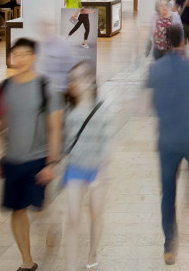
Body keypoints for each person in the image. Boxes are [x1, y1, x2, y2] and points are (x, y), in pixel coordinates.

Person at [0, 38, 64, 271]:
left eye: (24, 54)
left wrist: (51, 163)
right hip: (12, 159)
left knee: (38, 207)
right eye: (15, 55)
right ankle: (27, 261)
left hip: (38, 159)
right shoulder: (4, 88)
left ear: (33, 58)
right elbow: (0, 125)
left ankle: (49, 224)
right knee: (17, 210)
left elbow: (55, 127)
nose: (19, 59)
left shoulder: (45, 87)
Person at [147, 25, 189, 265]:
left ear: (165, 42)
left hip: (166, 139)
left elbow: (149, 104)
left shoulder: (155, 69)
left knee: (167, 193)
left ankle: (170, 244)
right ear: (183, 42)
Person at [62, 61, 112, 271]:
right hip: (74, 168)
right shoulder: (68, 109)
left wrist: (100, 174)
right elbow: (64, 142)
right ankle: (71, 265)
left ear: (91, 81)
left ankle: (92, 255)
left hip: (95, 171)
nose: (76, 83)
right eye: (73, 79)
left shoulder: (102, 109)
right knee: (73, 219)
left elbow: (107, 144)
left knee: (95, 215)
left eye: (81, 78)